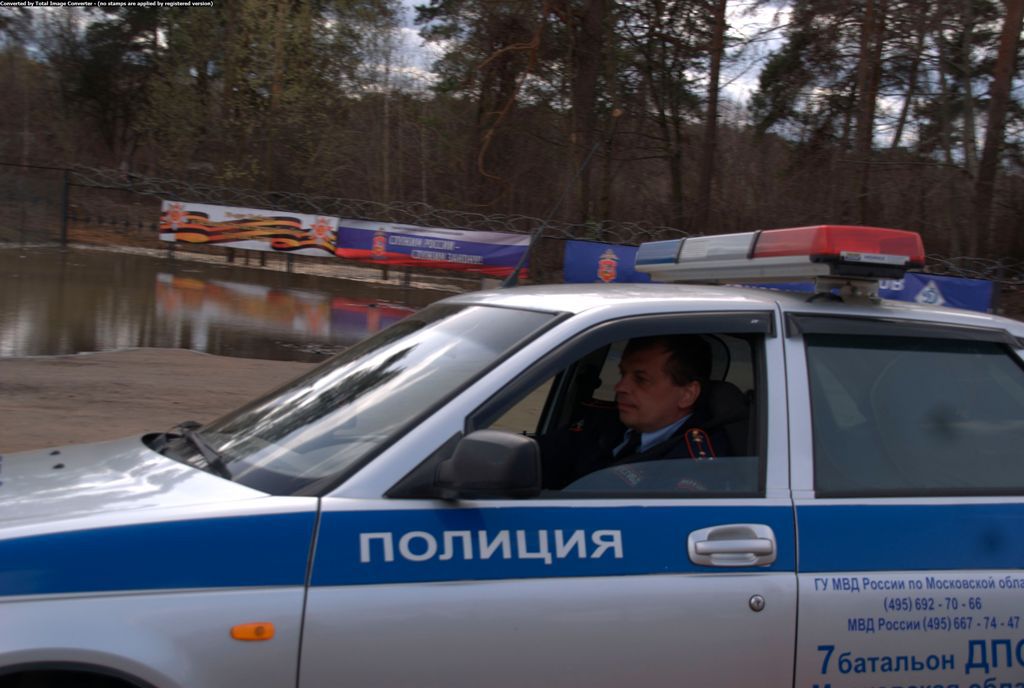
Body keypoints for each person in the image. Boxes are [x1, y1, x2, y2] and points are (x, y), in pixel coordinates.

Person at [540, 335, 732, 489]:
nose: (620, 387)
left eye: (641, 379)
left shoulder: (695, 466)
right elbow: (539, 458)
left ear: (687, 395)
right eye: (623, 374)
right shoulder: (603, 424)